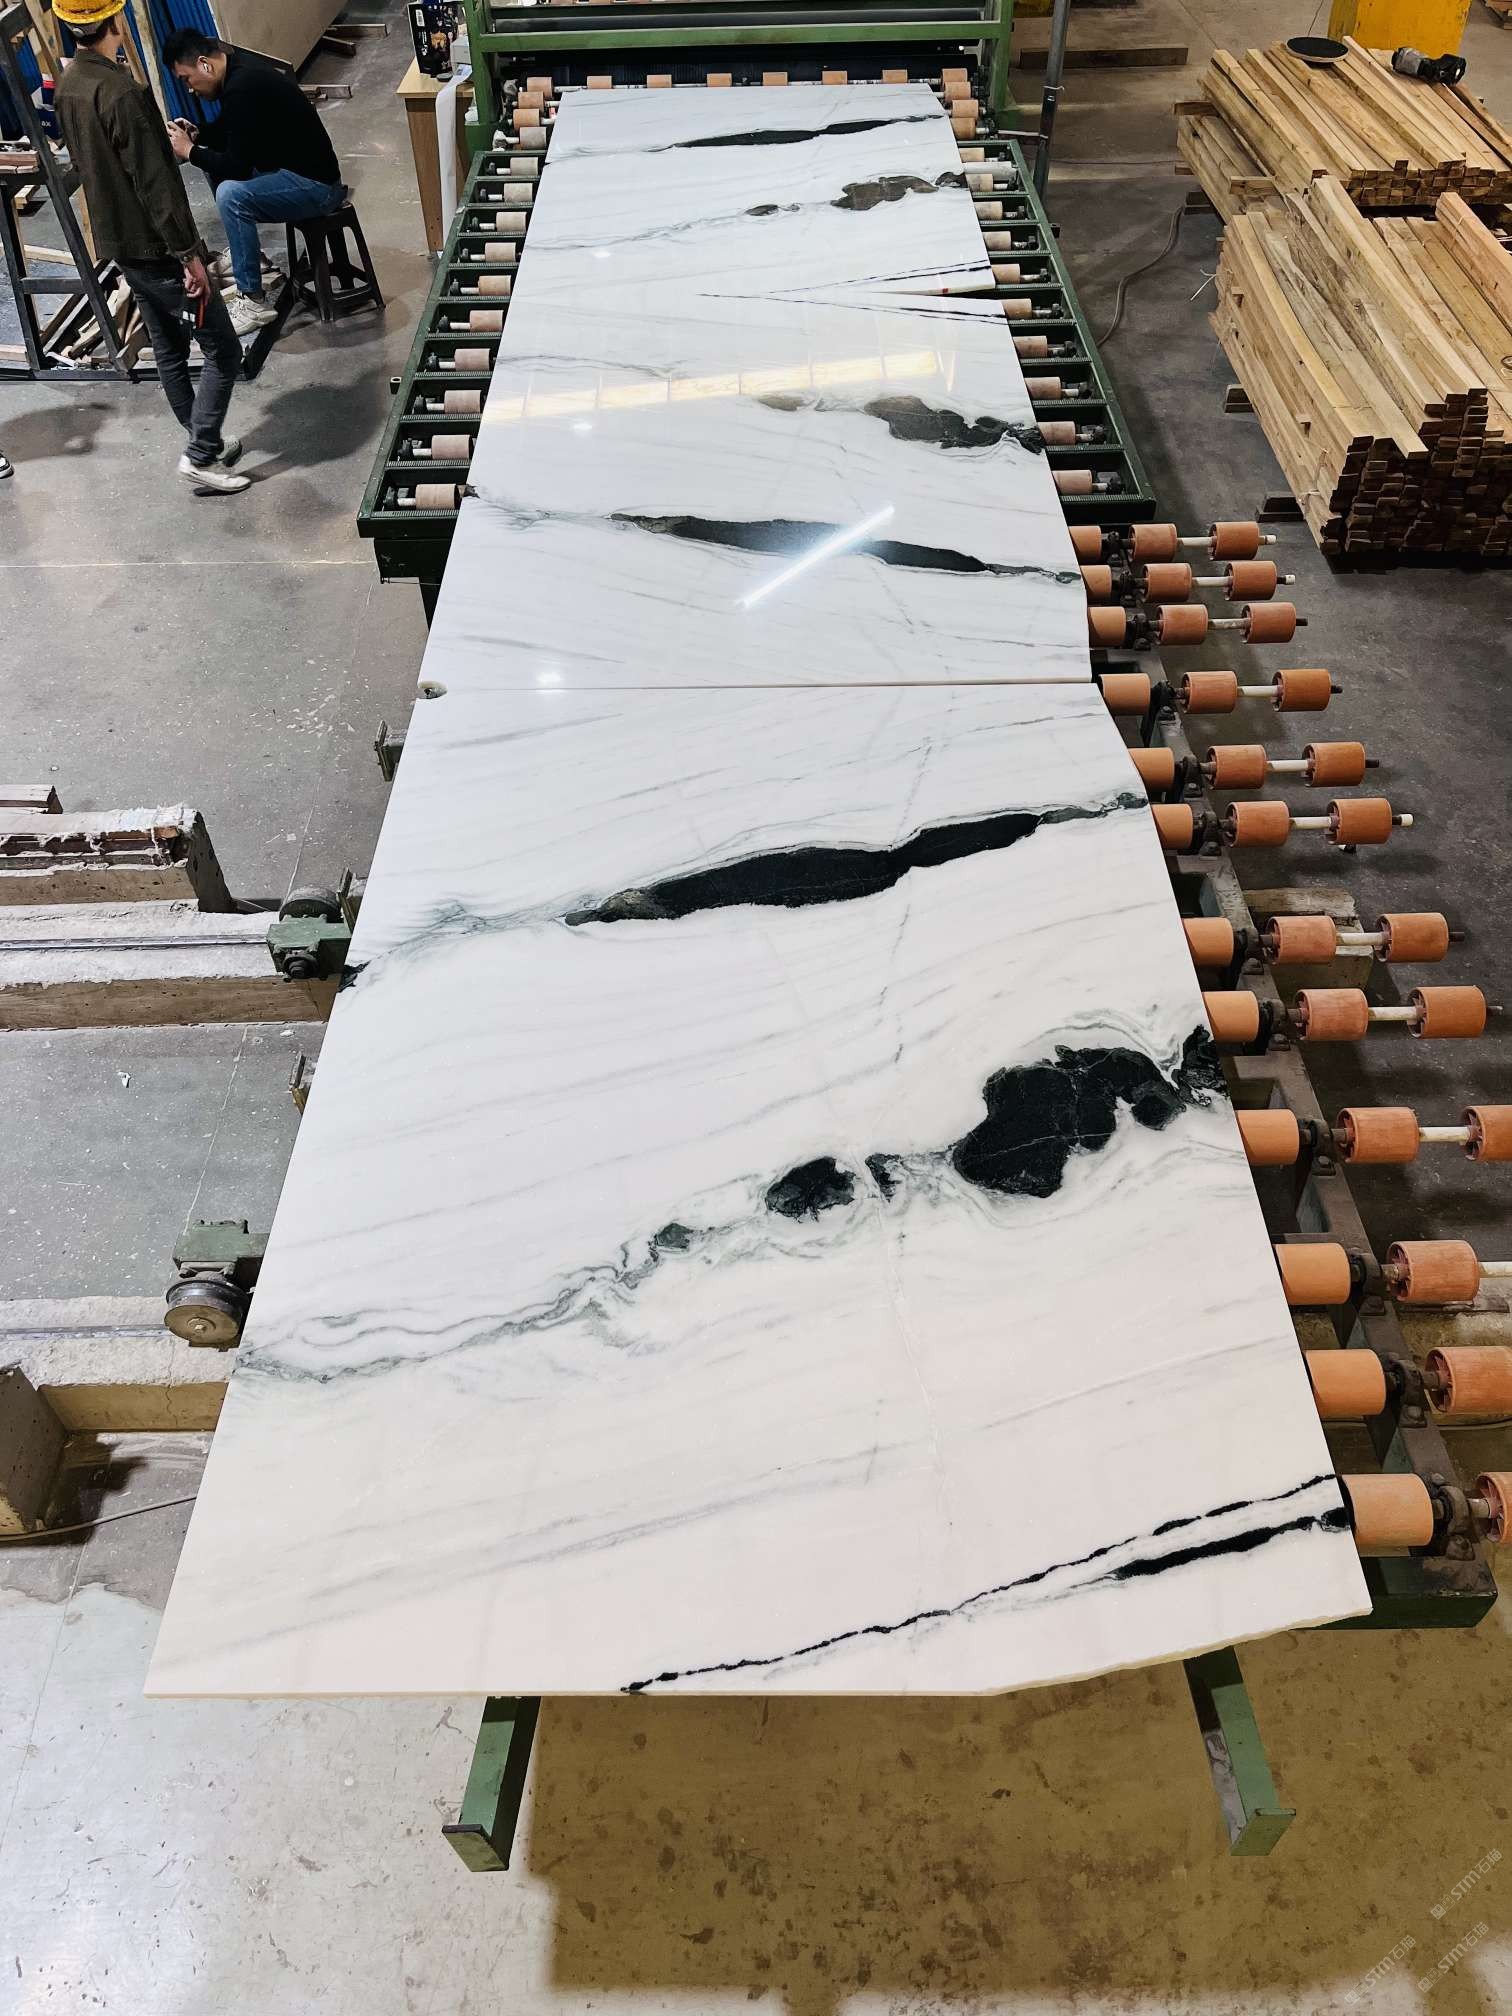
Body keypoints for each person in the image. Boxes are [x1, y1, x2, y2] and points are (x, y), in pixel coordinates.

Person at [52, 0, 248, 495]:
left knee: (168, 348)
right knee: (224, 350)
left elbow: (100, 162)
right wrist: (189, 254)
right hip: (157, 245)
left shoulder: (69, 85)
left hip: (121, 242)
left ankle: (203, 440)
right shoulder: (121, 91)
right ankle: (200, 453)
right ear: (116, 21)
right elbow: (154, 182)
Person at [163, 30, 344, 334]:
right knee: (213, 165)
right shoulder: (239, 70)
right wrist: (200, 135)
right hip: (294, 172)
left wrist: (190, 152)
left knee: (231, 195)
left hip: (318, 187)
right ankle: (251, 258)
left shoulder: (242, 87)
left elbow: (237, 163)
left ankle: (253, 301)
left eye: (187, 79)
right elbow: (235, 133)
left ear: (204, 64)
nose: (190, 89)